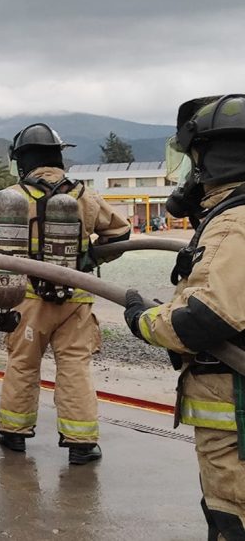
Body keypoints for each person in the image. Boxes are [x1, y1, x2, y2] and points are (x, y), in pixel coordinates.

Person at [123, 95, 245, 539]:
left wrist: (143, 320)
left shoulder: (234, 223)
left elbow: (203, 320)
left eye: (193, 158)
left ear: (212, 157)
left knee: (231, 516)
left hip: (234, 412)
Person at [0, 123, 131, 464]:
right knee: (74, 367)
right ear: (58, 155)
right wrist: (90, 256)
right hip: (77, 297)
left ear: (21, 160)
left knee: (23, 365)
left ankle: (13, 433)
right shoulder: (83, 196)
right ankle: (81, 443)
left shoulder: (13, 197)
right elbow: (120, 232)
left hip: (27, 298)